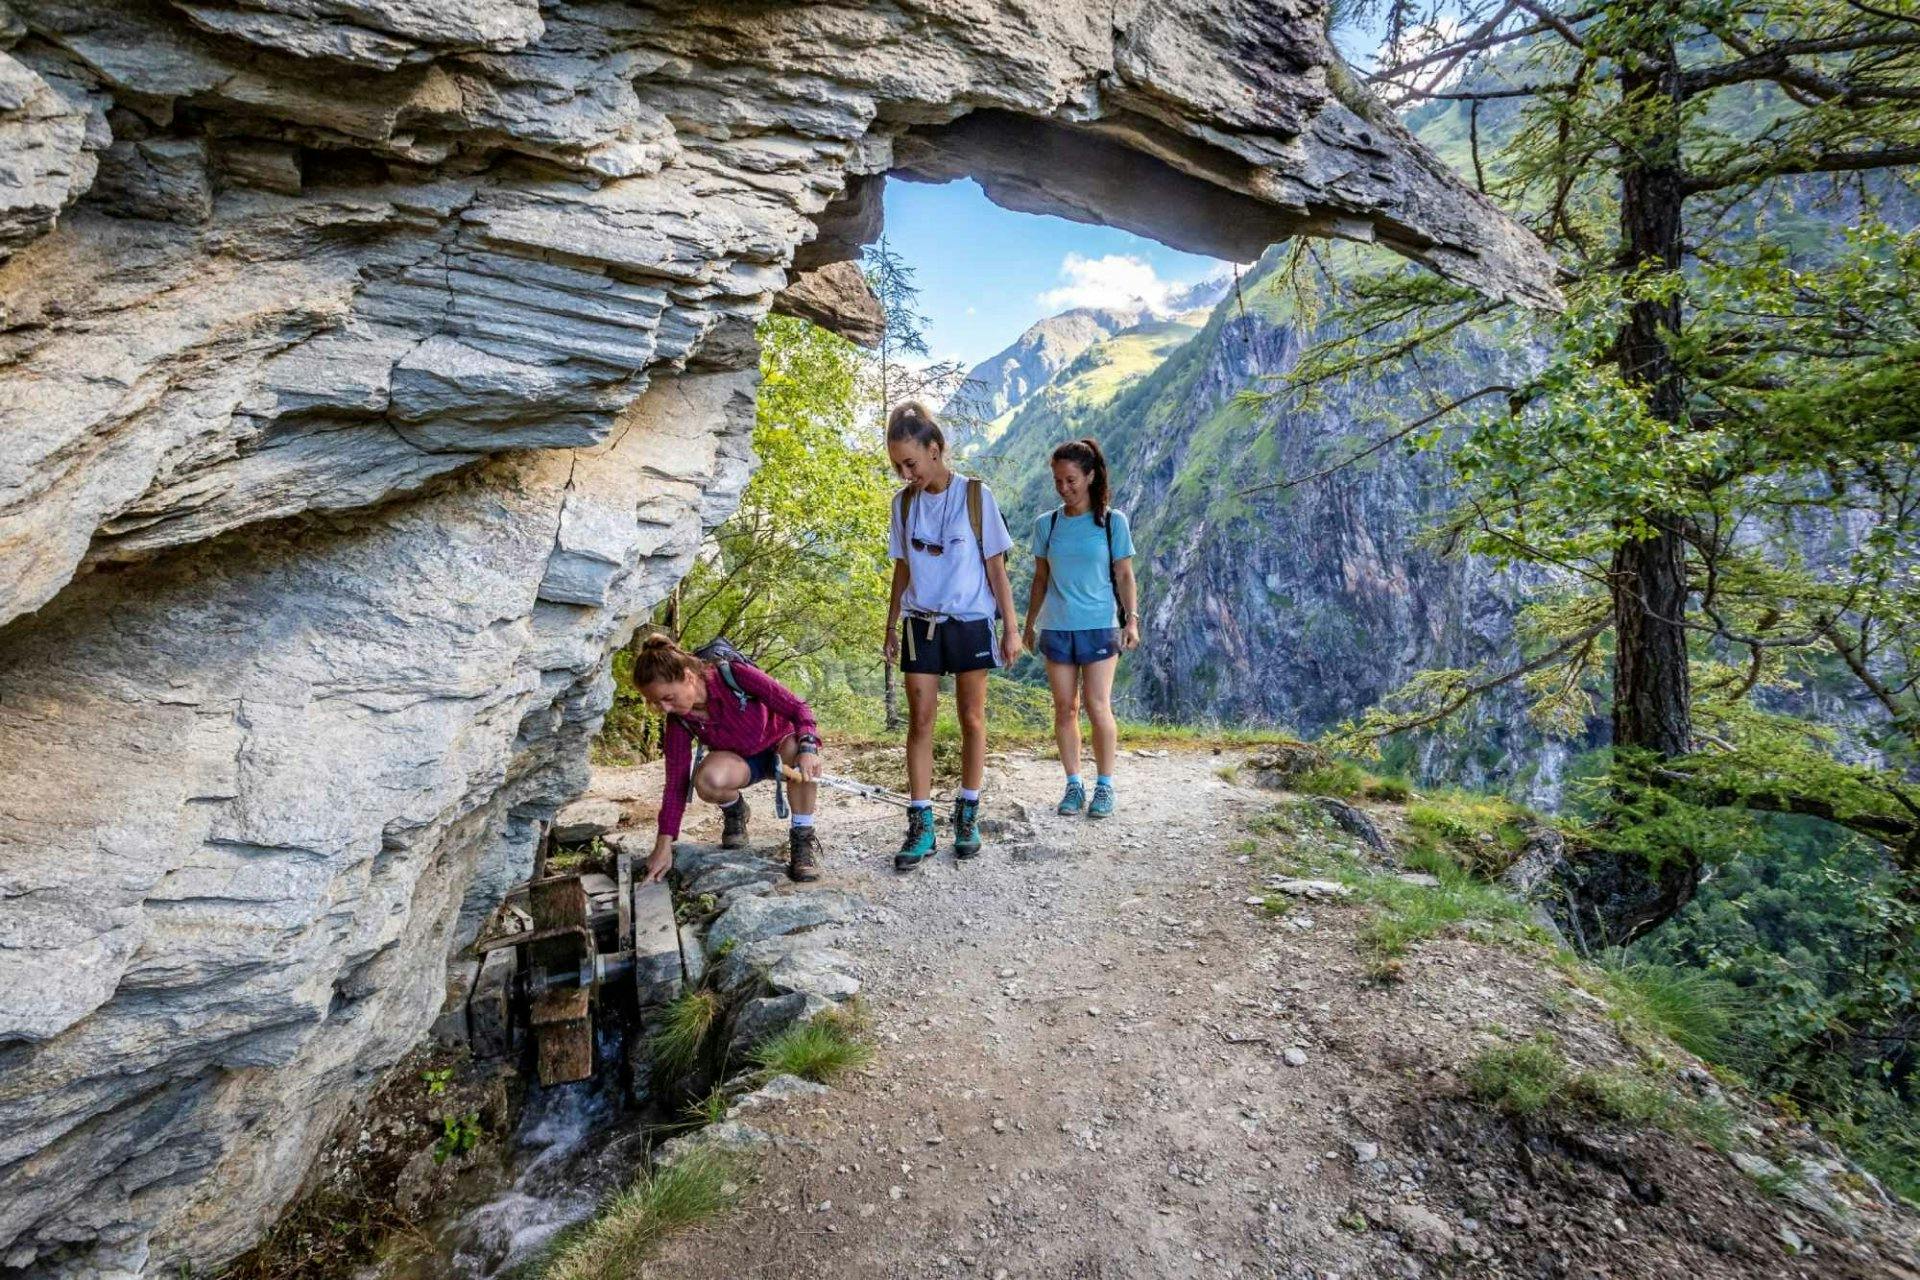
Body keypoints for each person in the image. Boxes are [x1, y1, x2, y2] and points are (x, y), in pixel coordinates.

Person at [883, 400, 1023, 871]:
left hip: (969, 621)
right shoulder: (902, 506)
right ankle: (920, 822)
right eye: (899, 465)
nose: (906, 474)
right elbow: (902, 569)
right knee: (919, 722)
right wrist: (890, 626)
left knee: (972, 718)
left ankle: (968, 813)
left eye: (911, 463)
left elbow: (996, 570)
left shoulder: (976, 498)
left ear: (935, 450)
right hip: (920, 623)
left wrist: (1011, 627)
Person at [632, 633, 825, 884]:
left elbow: (798, 708)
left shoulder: (733, 675)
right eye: (657, 703)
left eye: (668, 698)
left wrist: (808, 747)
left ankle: (802, 837)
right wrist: (663, 843)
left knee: (795, 748)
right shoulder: (679, 719)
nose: (665, 709)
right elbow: (675, 784)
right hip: (742, 762)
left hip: (782, 748)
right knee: (707, 780)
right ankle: (735, 812)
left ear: (688, 677)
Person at [1021, 437, 1140, 819]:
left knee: (1098, 706)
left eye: (1071, 479)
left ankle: (1105, 786)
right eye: (1058, 481)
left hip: (1100, 625)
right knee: (1064, 708)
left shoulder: (1111, 522)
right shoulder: (1047, 524)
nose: (1064, 488)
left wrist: (1132, 620)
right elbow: (1040, 579)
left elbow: (1124, 574)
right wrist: (1028, 624)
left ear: (1089, 476)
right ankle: (1074, 784)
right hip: (1057, 628)